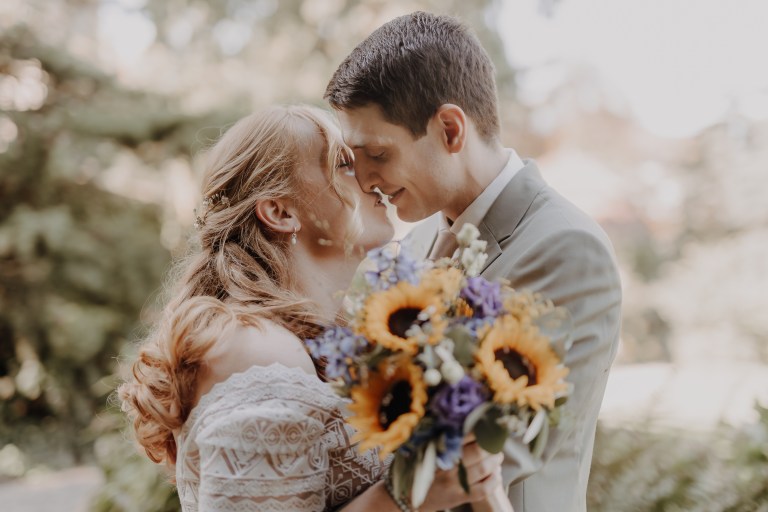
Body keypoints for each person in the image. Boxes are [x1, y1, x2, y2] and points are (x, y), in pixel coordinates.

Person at [118, 104, 506, 512]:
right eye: (342, 164)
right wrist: (406, 495)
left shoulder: (316, 343)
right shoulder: (258, 352)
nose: (372, 178)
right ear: (280, 212)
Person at [325, 11, 622, 512]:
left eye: (377, 153)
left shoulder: (568, 248)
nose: (365, 181)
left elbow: (497, 453)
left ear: (449, 129)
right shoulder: (415, 242)